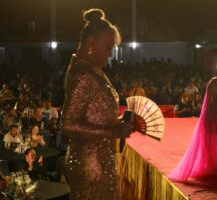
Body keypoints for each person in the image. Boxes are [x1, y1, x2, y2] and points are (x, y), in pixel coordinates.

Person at [62, 8, 133, 200]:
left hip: (98, 161)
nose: (111, 55)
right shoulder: (84, 74)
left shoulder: (91, 69)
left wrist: (118, 122)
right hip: (91, 166)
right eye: (109, 47)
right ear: (91, 44)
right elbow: (68, 123)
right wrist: (112, 132)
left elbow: (94, 116)